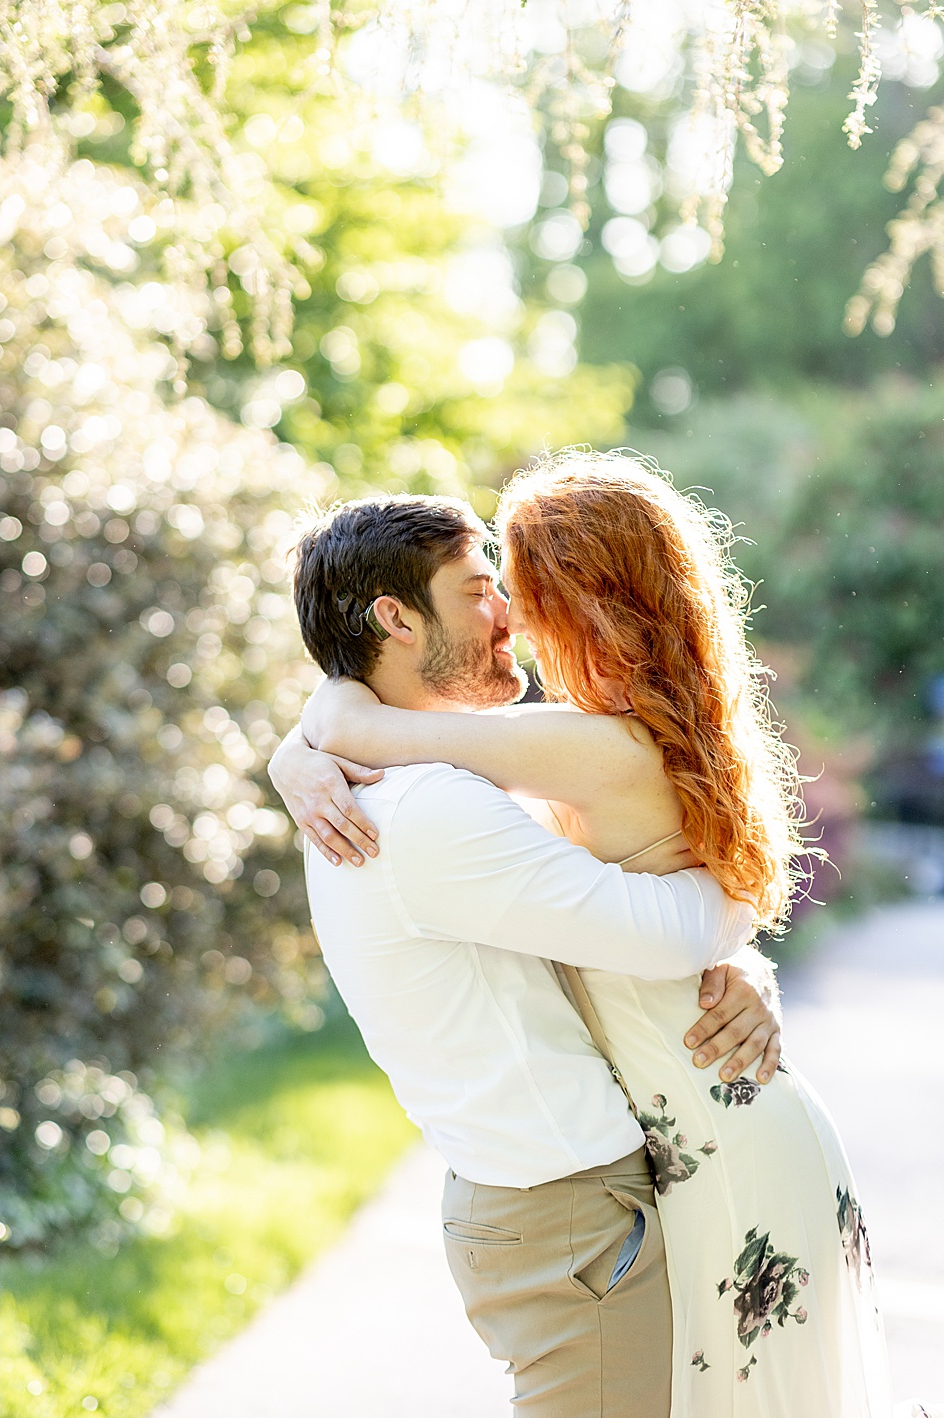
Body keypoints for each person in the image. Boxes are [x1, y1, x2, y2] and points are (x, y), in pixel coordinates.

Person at [275, 457, 892, 1414]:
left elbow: (375, 729)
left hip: (711, 1132)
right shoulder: (605, 738)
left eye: (517, 592)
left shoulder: (578, 745)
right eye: (488, 593)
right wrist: (309, 743)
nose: (507, 620)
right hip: (687, 1127)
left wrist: (313, 736)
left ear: (589, 605)